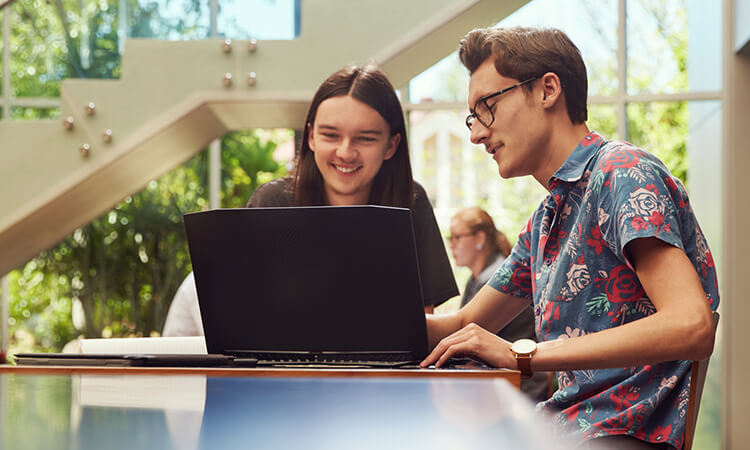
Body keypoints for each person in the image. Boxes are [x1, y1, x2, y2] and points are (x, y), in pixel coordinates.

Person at [421, 27, 719, 450]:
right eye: (473, 116)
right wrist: (353, 326)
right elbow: (464, 324)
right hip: (566, 430)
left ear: (547, 90)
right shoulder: (547, 218)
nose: (476, 133)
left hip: (624, 435)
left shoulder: (622, 173)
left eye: (487, 106)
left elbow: (691, 325)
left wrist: (521, 355)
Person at [163, 64, 458, 336]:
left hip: (379, 377)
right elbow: (245, 319)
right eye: (330, 135)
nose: (345, 152)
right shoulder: (273, 202)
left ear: (391, 145)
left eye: (365, 138)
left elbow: (420, 324)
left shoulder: (411, 201)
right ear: (312, 138)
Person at [449, 206, 548, 402]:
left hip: (518, 387)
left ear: (480, 239)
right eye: (449, 238)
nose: (452, 245)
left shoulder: (493, 278)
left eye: (457, 237)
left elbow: (467, 333)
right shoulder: (477, 278)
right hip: (500, 381)